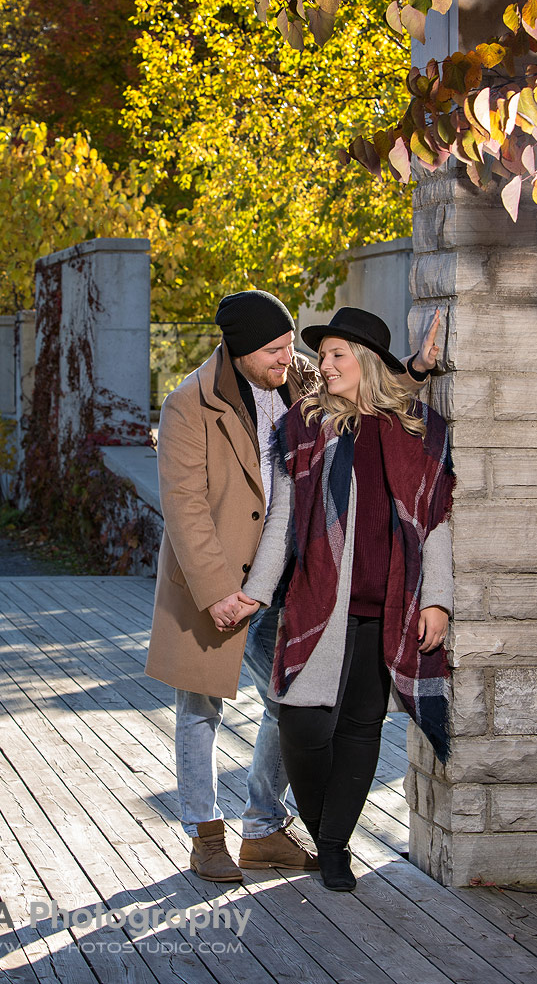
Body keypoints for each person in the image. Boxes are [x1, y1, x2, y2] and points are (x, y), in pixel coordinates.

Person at [145, 292, 439, 883]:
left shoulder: (298, 379)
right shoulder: (188, 405)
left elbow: (366, 399)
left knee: (287, 703)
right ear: (240, 348)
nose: (290, 358)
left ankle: (261, 827)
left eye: (290, 346)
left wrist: (413, 371)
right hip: (217, 578)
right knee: (200, 708)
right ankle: (204, 834)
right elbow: (184, 506)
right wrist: (217, 590)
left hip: (291, 574)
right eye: (275, 349)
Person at [238, 306, 454, 892]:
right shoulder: (306, 429)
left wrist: (437, 600)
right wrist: (255, 596)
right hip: (318, 606)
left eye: (336, 355)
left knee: (361, 728)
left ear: (365, 363)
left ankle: (332, 849)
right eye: (324, 354)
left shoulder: (417, 431)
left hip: (387, 607)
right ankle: (322, 828)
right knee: (303, 728)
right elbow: (283, 519)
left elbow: (433, 523)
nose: (322, 365)